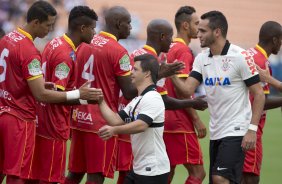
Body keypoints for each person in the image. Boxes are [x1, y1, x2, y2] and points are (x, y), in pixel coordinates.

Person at [0, 1, 101, 184]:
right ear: (36, 22)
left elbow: (19, 78)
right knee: (22, 176)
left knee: (15, 172)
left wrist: (37, 84)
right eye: (48, 25)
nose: (50, 29)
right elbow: (43, 95)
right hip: (35, 122)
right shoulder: (37, 51)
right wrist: (80, 95)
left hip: (9, 112)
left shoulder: (9, 38)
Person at [170, 11, 265, 184]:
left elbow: (258, 94)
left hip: (237, 130)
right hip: (216, 131)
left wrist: (252, 129)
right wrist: (172, 75)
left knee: (219, 178)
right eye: (198, 30)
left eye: (203, 31)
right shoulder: (201, 58)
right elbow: (187, 89)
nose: (198, 35)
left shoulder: (241, 56)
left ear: (217, 32)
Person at [116, 18, 208, 184]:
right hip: (137, 124)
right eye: (170, 37)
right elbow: (154, 98)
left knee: (129, 175)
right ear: (162, 37)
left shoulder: (137, 54)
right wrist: (192, 104)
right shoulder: (154, 63)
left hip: (127, 120)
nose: (172, 41)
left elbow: (157, 98)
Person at [30, 6, 98, 184]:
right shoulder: (65, 55)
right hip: (53, 126)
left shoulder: (55, 42)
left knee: (33, 177)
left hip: (40, 122)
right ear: (83, 28)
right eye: (92, 28)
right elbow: (55, 95)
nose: (94, 32)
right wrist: (83, 96)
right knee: (50, 179)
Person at [98, 54, 170, 184]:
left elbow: (142, 125)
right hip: (140, 168)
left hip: (153, 170)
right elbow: (114, 119)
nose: (131, 72)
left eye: (135, 69)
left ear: (147, 74)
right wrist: (100, 100)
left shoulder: (153, 97)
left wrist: (114, 130)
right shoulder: (137, 100)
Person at [164, 6, 206, 184]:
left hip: (163, 116)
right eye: (196, 23)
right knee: (198, 172)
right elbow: (183, 92)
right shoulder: (183, 51)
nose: (200, 27)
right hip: (179, 119)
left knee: (168, 170)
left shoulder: (168, 47)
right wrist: (196, 119)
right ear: (185, 26)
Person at [242, 21, 282, 184]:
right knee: (251, 178)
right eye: (280, 39)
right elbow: (261, 101)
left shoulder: (248, 54)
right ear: (274, 40)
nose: (281, 44)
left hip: (238, 124)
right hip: (252, 128)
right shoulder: (261, 60)